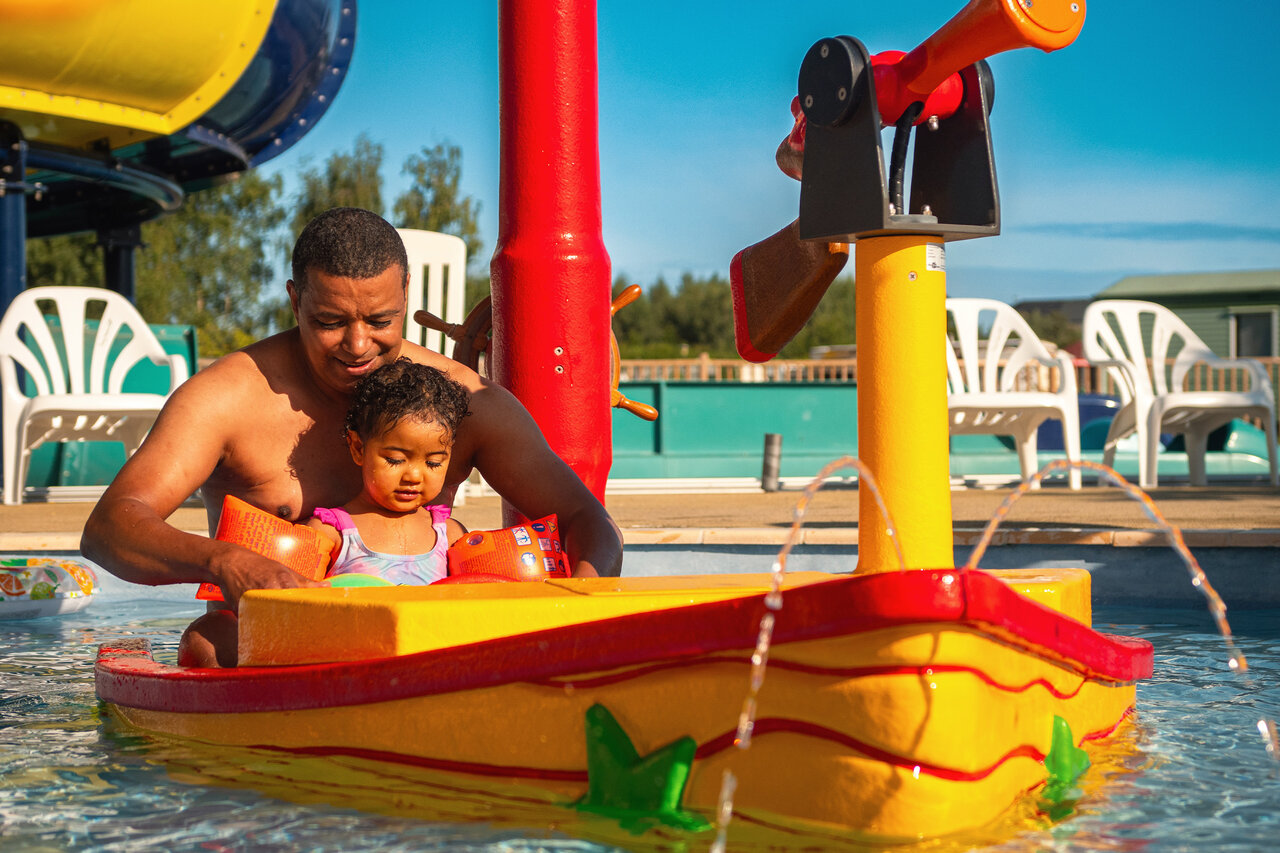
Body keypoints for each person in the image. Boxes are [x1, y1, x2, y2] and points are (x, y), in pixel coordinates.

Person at [81, 207, 623, 668]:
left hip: (421, 661)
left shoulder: (463, 403)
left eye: (381, 320)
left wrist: (573, 616)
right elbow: (110, 527)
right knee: (206, 644)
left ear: (406, 295)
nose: (358, 345)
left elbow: (587, 522)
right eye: (330, 321)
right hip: (273, 667)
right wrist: (225, 561)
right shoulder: (228, 399)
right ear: (296, 301)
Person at [308, 358, 469, 584]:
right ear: (358, 449)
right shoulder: (331, 534)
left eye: (433, 463)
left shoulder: (450, 535)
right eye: (395, 460)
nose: (413, 476)